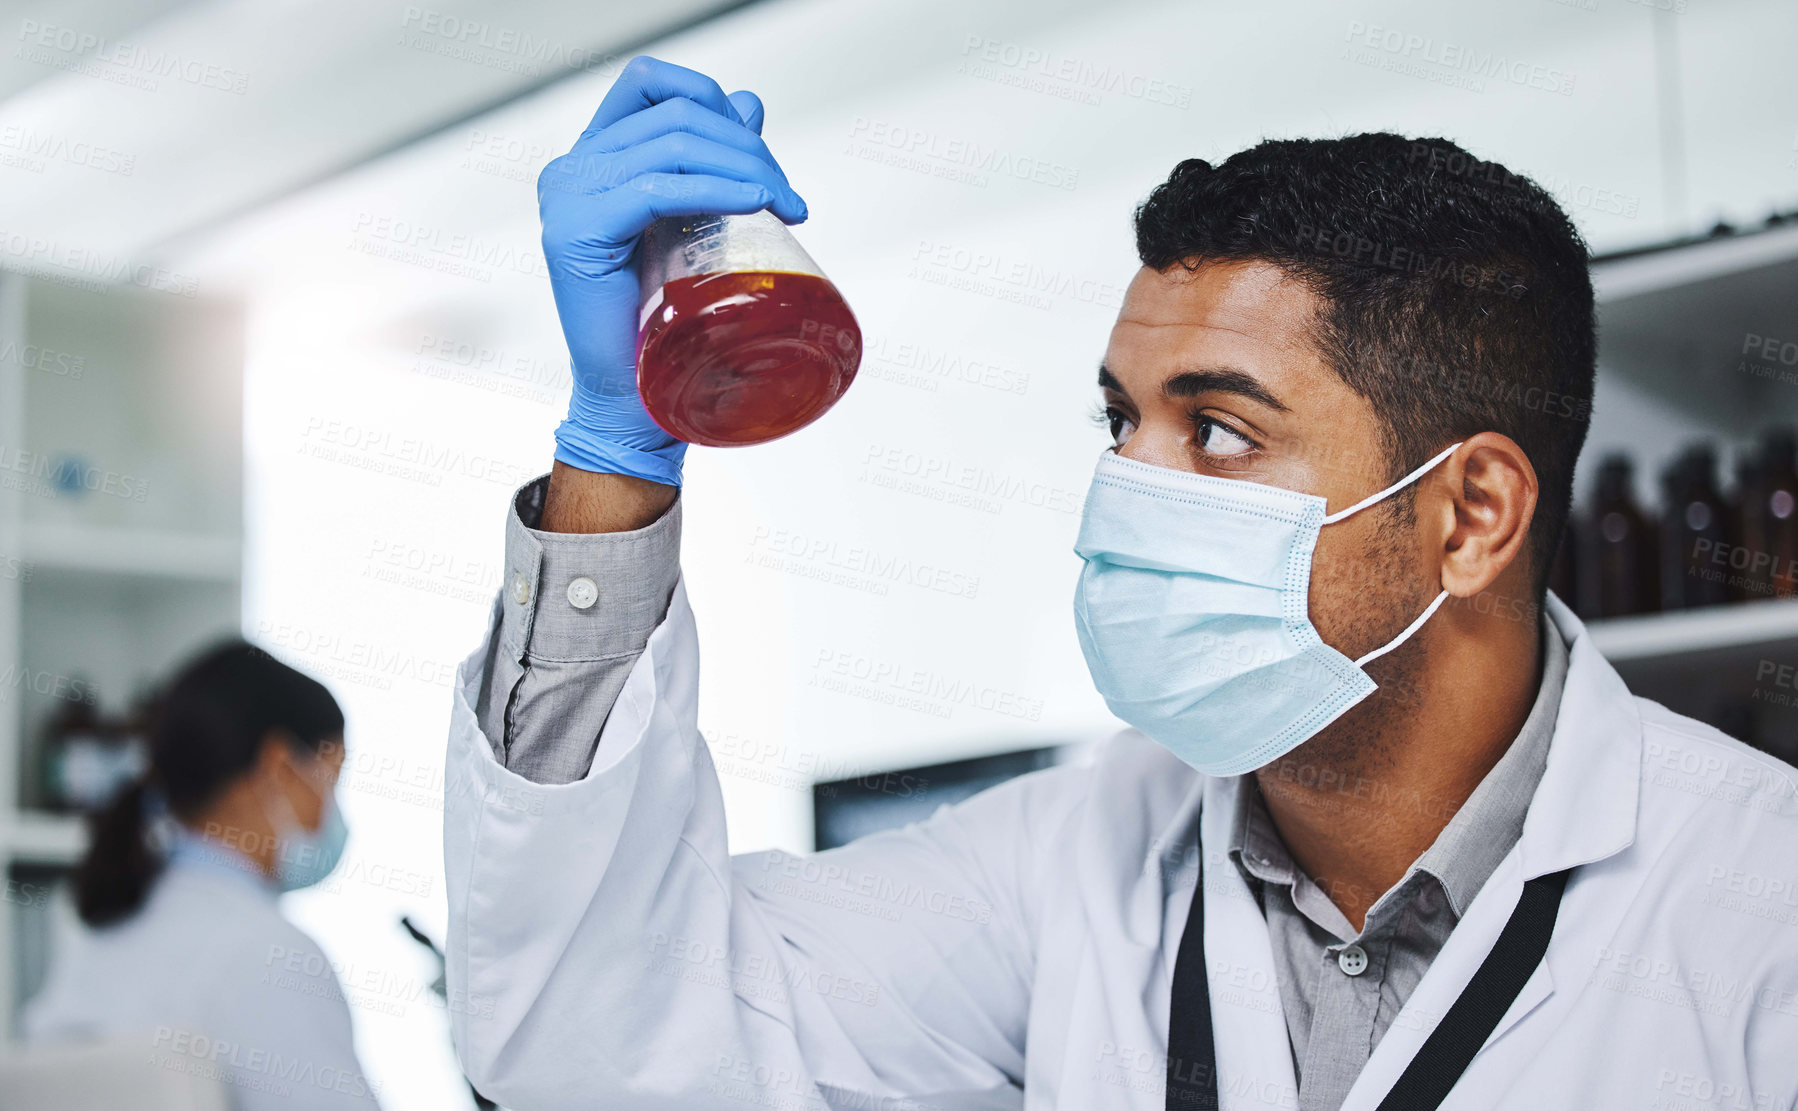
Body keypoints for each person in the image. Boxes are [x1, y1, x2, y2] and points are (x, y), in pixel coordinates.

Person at [441, 56, 1798, 1111]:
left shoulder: (1756, 895)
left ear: (1472, 513)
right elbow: (594, 1039)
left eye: (1213, 427)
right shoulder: (1067, 864)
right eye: (1120, 423)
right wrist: (615, 445)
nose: (1126, 488)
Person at [25, 641, 380, 1110]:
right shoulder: (271, 958)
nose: (331, 813)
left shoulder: (99, 929)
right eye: (330, 781)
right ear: (278, 768)